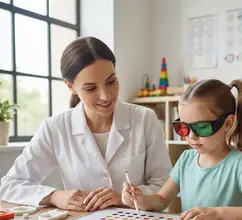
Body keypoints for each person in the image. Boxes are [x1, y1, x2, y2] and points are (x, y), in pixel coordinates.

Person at [0, 36, 172, 211]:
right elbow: (9, 185)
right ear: (70, 86)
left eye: (111, 81)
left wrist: (122, 198)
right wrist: (54, 196)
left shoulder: (144, 118)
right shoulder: (55, 128)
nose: (106, 96)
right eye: (91, 88)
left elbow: (165, 185)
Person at [122, 79, 242, 220]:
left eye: (202, 127)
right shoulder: (186, 159)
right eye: (183, 127)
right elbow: (162, 199)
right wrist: (141, 200)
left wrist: (217, 212)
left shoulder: (239, 163)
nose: (191, 136)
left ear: (227, 123)